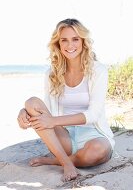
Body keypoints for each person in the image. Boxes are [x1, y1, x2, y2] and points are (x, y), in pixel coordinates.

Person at [17, 18, 115, 182]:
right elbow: (44, 109)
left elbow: (93, 114)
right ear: (58, 44)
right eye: (64, 40)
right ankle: (67, 162)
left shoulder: (98, 70)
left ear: (83, 41)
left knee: (97, 152)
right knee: (31, 102)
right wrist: (24, 112)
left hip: (94, 134)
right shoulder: (51, 73)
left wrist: (52, 121)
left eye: (75, 39)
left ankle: (56, 161)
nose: (70, 45)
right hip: (64, 136)